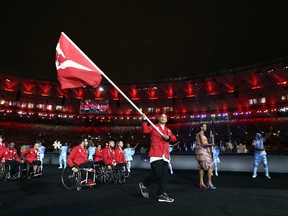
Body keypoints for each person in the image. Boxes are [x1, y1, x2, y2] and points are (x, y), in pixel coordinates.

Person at [139, 114, 176, 203]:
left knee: (164, 177)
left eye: (165, 117)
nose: (163, 118)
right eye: (162, 117)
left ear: (166, 120)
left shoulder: (168, 130)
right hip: (155, 154)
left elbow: (174, 139)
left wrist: (169, 137)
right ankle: (144, 184)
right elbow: (145, 130)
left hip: (165, 156)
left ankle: (162, 194)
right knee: (157, 174)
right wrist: (144, 120)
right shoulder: (154, 127)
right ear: (158, 119)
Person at [195, 123, 216, 189]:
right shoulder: (200, 134)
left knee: (202, 167)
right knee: (210, 166)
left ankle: (201, 183)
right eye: (204, 126)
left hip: (202, 152)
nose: (206, 127)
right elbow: (203, 144)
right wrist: (211, 144)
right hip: (202, 152)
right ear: (201, 127)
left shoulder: (202, 134)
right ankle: (209, 182)